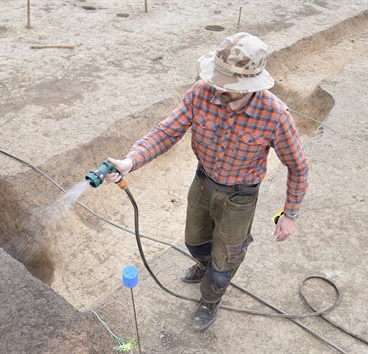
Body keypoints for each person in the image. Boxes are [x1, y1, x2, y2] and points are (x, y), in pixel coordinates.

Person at [106, 32, 309, 331]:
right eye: (218, 79)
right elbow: (166, 132)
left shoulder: (275, 115)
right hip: (203, 182)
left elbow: (299, 166)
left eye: (227, 85)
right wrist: (130, 161)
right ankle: (203, 264)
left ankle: (210, 299)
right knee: (195, 241)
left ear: (249, 83)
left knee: (225, 260)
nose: (218, 89)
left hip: (240, 197)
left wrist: (290, 214)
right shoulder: (201, 92)